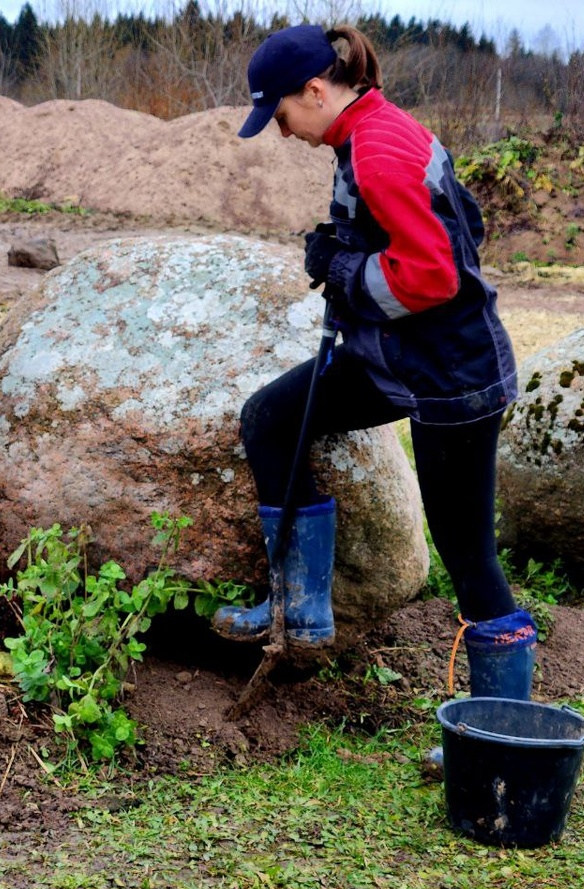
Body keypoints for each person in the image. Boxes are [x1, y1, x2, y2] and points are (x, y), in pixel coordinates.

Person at [212, 23, 537, 709]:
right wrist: (348, 241)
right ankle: (297, 615)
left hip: (454, 376)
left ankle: (501, 733)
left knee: (467, 555)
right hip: (393, 359)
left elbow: (435, 274)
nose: (280, 130)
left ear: (315, 89)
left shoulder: (380, 149)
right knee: (270, 419)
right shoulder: (369, 135)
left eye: (280, 114)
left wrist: (346, 268)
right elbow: (462, 223)